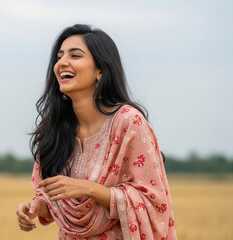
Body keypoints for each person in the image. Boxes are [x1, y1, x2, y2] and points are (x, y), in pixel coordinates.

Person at [16, 24, 176, 240]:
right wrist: (36, 206)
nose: (62, 62)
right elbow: (55, 201)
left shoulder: (128, 122)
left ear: (100, 70)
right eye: (59, 56)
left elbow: (153, 204)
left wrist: (87, 189)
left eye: (75, 55)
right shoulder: (54, 130)